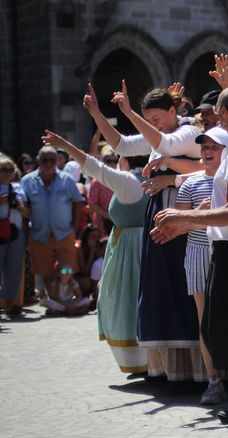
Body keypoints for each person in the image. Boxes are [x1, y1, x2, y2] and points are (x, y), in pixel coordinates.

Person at [152, 86, 228, 424]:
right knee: (218, 325)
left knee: (221, 327)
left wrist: (183, 217)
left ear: (223, 113)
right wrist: (189, 218)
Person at [87, 82, 205, 382]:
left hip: (185, 221)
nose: (154, 126)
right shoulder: (159, 138)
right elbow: (122, 146)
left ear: (172, 110)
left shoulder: (190, 131)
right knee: (159, 293)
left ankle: (197, 370)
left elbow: (170, 148)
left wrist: (128, 112)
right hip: (159, 217)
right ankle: (165, 369)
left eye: (157, 119)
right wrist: (98, 114)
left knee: (184, 293)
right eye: (148, 120)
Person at [42, 129, 148, 374]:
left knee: (124, 302)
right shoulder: (153, 177)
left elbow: (93, 167)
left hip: (130, 250)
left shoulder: (130, 181)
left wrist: (65, 145)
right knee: (134, 300)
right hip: (143, 246)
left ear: (125, 158)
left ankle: (139, 360)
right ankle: (148, 359)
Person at [175, 126, 228, 406]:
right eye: (204, 148)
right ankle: (214, 380)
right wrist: (201, 214)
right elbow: (181, 225)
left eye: (213, 147)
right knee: (205, 317)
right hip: (197, 251)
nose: (208, 152)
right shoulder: (190, 184)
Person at [21, 146, 84, 303]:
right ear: (38, 161)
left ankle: (68, 298)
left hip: (64, 233)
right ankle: (55, 300)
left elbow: (78, 203)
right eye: (44, 160)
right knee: (45, 270)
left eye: (52, 160)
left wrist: (74, 229)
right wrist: (26, 232)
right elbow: (23, 207)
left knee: (68, 268)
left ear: (57, 161)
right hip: (39, 234)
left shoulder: (67, 179)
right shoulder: (27, 181)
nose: (48, 164)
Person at [0, 153, 31, 317]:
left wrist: (19, 206)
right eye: (2, 169)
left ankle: (11, 305)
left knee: (14, 271)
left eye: (9, 169)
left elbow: (27, 214)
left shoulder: (18, 188)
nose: (6, 173)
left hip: (15, 232)